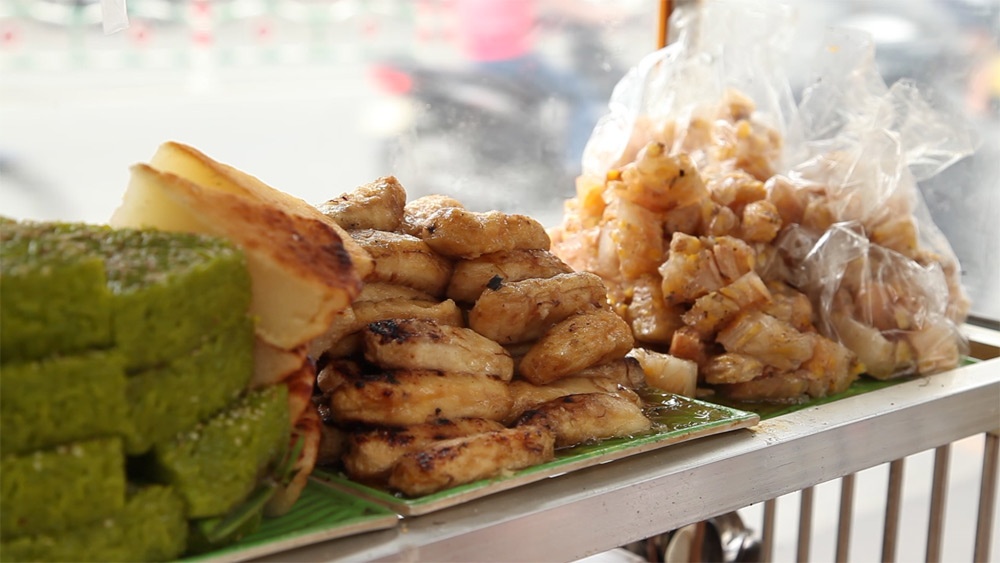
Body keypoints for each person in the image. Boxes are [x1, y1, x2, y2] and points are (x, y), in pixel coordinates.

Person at [452, 0, 618, 171]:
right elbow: (565, 4)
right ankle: (578, 164)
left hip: (477, 60)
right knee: (580, 94)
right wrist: (606, 15)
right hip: (512, 59)